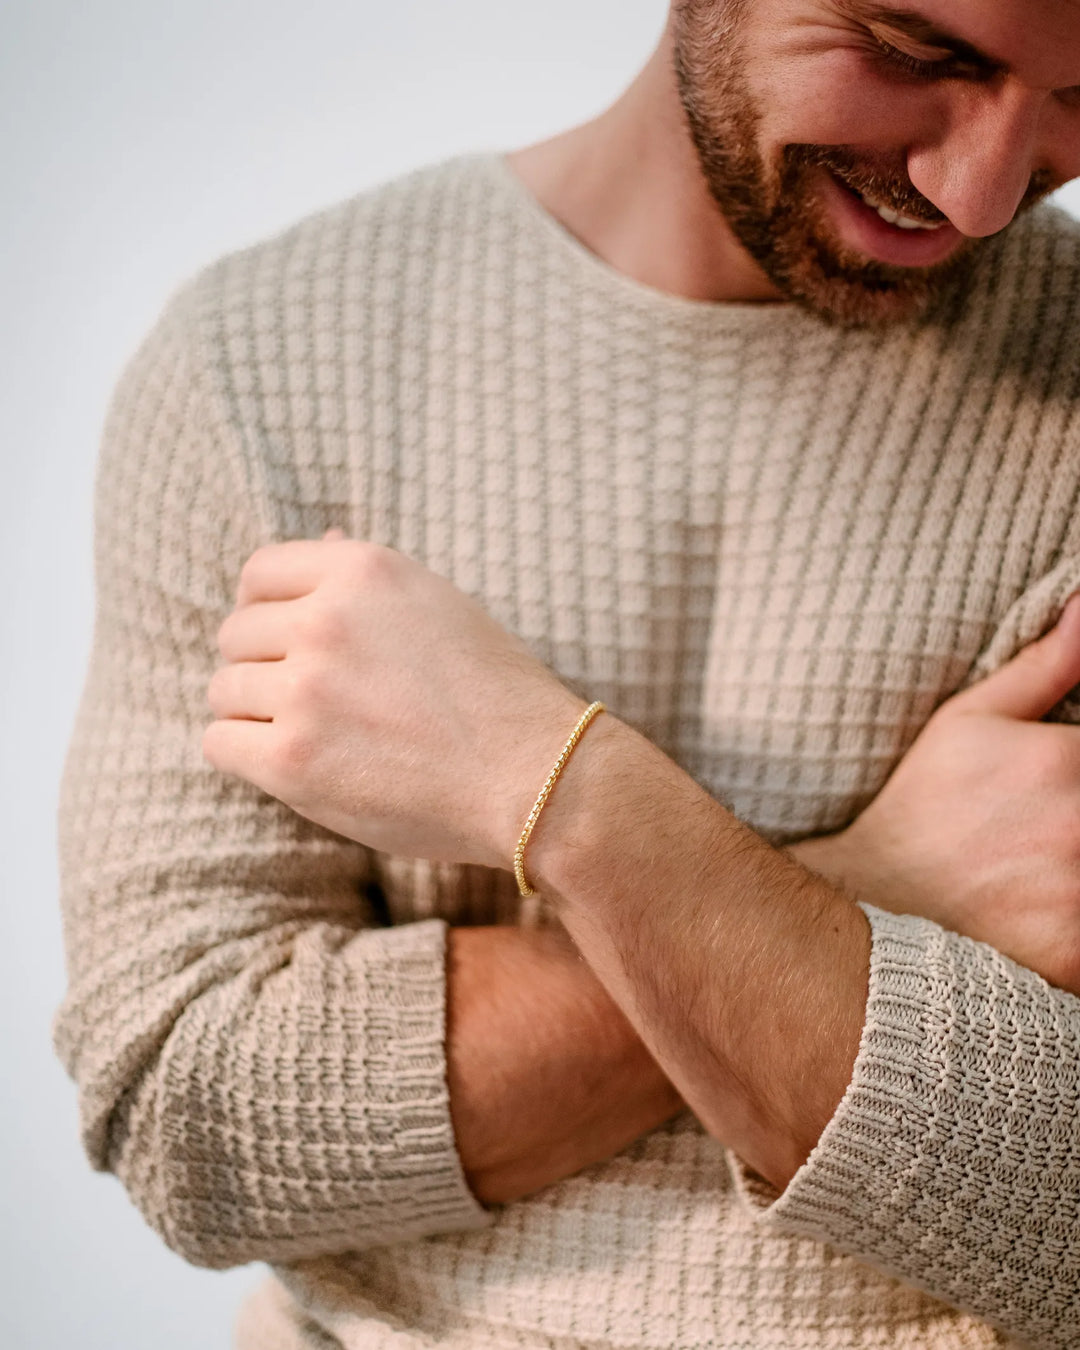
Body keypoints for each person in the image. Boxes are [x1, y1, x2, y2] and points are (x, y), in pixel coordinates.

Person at [55, 1, 1080, 1347]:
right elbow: (189, 1120)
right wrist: (880, 880)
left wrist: (553, 787)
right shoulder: (262, 360)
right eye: (911, 51)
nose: (984, 189)